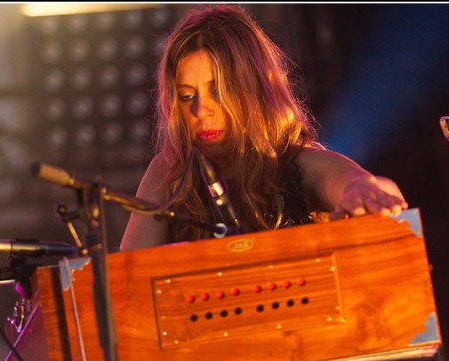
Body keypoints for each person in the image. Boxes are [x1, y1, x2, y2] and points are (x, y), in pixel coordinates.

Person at [120, 4, 408, 252]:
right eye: (186, 96)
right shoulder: (169, 173)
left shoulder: (295, 164)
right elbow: (125, 279)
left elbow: (358, 183)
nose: (200, 109)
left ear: (254, 89)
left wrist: (366, 190)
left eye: (218, 91)